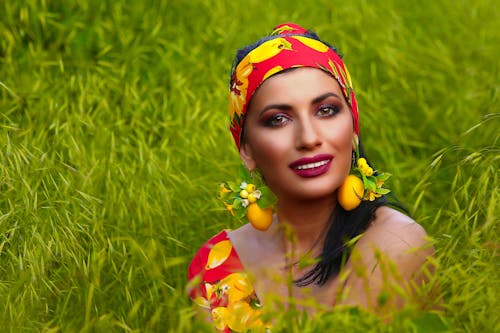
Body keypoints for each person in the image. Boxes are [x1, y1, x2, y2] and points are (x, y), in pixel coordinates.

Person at [187, 23, 434, 332]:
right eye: (278, 119)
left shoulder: (395, 243)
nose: (308, 137)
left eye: (326, 110)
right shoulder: (216, 264)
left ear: (353, 129)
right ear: (246, 149)